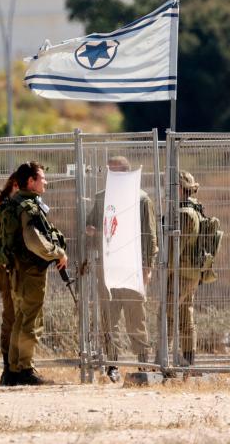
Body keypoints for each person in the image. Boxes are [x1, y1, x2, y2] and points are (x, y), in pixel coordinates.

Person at [0, 161, 68, 386]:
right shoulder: (28, 206)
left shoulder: (13, 203)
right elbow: (33, 240)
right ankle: (24, 368)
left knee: (20, 320)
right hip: (30, 272)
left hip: (16, 270)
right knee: (30, 322)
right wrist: (57, 253)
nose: (46, 182)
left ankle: (14, 370)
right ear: (31, 182)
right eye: (42, 178)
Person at [86, 156, 158, 383]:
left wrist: (148, 266)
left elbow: (150, 235)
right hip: (107, 268)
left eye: (114, 172)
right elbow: (92, 225)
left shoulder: (141, 199)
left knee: (136, 317)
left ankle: (143, 362)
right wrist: (91, 230)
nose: (109, 176)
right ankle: (112, 364)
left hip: (132, 267)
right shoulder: (101, 198)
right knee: (109, 318)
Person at [166, 170, 204, 367]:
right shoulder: (195, 209)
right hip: (191, 273)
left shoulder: (184, 214)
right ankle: (189, 361)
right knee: (184, 315)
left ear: (179, 188)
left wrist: (164, 268)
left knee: (167, 313)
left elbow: (175, 251)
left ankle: (162, 358)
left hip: (181, 273)